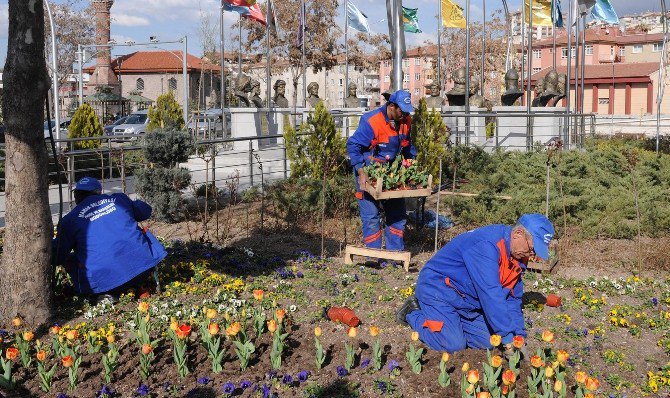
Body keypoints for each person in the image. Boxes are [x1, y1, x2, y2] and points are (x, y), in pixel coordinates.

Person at [396, 214, 555, 354]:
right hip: (439, 289)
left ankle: (452, 324)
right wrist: (507, 338)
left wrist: (519, 336)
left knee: (489, 343)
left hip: (467, 300)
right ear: (518, 234)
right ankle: (413, 313)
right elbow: (490, 294)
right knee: (453, 345)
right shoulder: (487, 245)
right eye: (532, 249)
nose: (532, 255)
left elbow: (512, 298)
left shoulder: (518, 257)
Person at [52, 177, 167, 302]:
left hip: (105, 282)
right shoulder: (119, 199)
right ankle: (137, 285)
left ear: (76, 196)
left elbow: (58, 255)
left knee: (72, 258)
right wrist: (134, 204)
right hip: (143, 269)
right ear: (98, 192)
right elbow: (145, 211)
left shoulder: (69, 220)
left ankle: (102, 295)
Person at [346, 90, 417, 251]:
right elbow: (353, 146)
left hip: (393, 174)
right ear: (391, 106)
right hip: (369, 172)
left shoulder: (406, 121)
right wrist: (361, 171)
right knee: (371, 216)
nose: (404, 114)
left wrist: (412, 166)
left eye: (407, 110)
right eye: (401, 110)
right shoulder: (371, 121)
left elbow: (408, 146)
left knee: (397, 215)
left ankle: (394, 253)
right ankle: (373, 254)